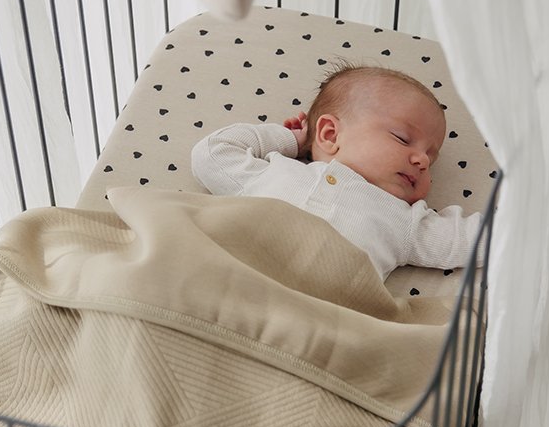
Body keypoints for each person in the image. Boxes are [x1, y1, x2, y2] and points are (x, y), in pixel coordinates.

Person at [190, 63, 481, 280]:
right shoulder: (276, 171)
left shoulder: (404, 222)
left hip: (315, 319)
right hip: (230, 279)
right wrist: (293, 139)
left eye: (431, 159)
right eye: (403, 139)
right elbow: (212, 152)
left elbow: (473, 240)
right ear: (329, 134)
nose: (422, 161)